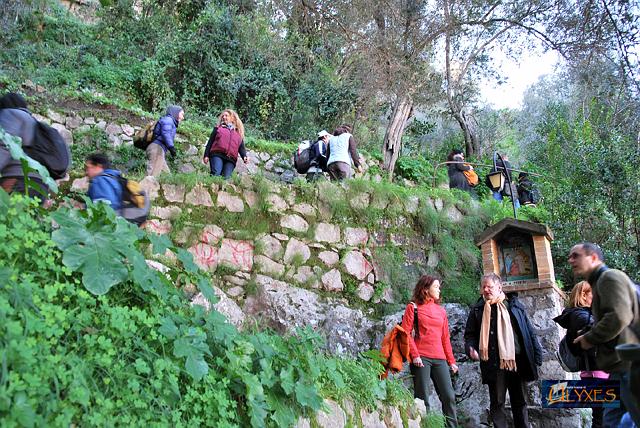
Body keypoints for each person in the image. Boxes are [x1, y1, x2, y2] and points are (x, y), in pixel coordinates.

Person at [569, 243, 640, 427]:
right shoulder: (599, 282)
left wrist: (589, 338)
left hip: (629, 365)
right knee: (613, 421)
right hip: (619, 366)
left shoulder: (608, 278)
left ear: (593, 258)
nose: (571, 260)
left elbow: (619, 317)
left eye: (576, 255)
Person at [464, 273, 542, 428]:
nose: (486, 290)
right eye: (483, 287)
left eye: (489, 286)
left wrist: (537, 355)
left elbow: (528, 331)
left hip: (516, 361)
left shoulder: (513, 305)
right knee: (498, 402)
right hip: (493, 363)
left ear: (499, 287)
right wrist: (471, 348)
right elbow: (470, 334)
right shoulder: (478, 309)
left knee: (519, 400)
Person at [401, 275, 458, 428]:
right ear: (425, 290)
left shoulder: (441, 311)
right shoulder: (412, 307)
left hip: (440, 359)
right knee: (422, 398)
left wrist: (451, 361)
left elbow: (445, 338)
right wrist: (415, 355)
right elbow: (406, 333)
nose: (439, 290)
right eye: (436, 287)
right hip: (421, 358)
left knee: (449, 396)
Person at [553, 281, 607, 428]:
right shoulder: (579, 315)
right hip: (596, 373)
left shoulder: (585, 313)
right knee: (601, 417)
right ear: (584, 295)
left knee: (603, 415)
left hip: (596, 371)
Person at [0, 92, 49, 201]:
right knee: (27, 217)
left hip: (17, 181)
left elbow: (3, 144)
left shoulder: (10, 115)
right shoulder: (35, 123)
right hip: (41, 185)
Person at [203, 109, 247, 179]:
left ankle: (220, 190)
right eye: (223, 116)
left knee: (226, 178)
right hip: (217, 155)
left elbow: (241, 147)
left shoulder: (238, 133)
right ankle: (210, 188)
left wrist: (244, 157)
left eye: (226, 115)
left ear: (232, 118)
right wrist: (206, 155)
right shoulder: (218, 129)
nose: (224, 117)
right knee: (216, 174)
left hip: (230, 159)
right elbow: (210, 143)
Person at [146, 105, 184, 177]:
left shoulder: (170, 121)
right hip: (157, 148)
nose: (183, 117)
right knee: (152, 177)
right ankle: (145, 188)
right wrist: (171, 147)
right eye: (182, 114)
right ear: (175, 112)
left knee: (167, 176)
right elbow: (165, 133)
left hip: (159, 149)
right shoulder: (168, 120)